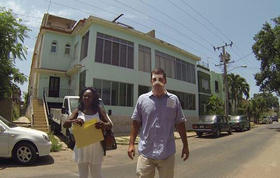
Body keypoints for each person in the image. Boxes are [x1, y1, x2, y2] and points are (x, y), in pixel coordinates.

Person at [128, 68, 190, 178]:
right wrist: (131, 144)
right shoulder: (142, 99)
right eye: (154, 79)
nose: (157, 82)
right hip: (146, 152)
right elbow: (136, 122)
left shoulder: (173, 100)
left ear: (165, 81)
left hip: (167, 152)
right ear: (151, 81)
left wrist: (185, 145)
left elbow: (180, 123)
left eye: (160, 79)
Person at [63, 87, 112, 178]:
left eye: (89, 96)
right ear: (82, 97)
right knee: (82, 175)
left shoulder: (99, 110)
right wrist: (74, 121)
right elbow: (65, 124)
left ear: (94, 98)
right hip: (82, 148)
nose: (86, 98)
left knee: (97, 175)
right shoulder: (78, 111)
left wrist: (103, 124)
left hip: (96, 148)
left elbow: (110, 124)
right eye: (85, 96)